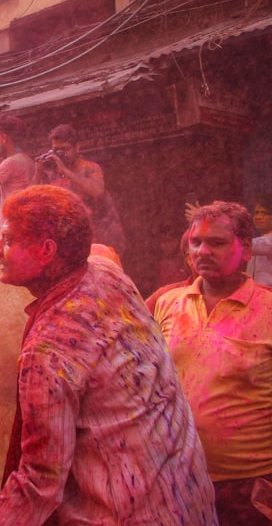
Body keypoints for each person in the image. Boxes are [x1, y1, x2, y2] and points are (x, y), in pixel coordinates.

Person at [0, 185, 216, 525]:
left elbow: (41, 482)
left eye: (7, 239)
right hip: (188, 501)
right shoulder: (108, 274)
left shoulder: (49, 349)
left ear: (46, 250)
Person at [153, 201, 272, 525]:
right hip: (177, 479)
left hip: (249, 490)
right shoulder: (167, 303)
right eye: (196, 242)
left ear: (246, 248)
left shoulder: (268, 309)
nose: (202, 251)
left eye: (216, 243)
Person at [31, 123, 126, 256]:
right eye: (56, 150)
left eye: (64, 149)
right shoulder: (52, 172)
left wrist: (65, 170)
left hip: (93, 239)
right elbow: (30, 199)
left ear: (77, 147)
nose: (60, 154)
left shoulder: (90, 167)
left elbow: (97, 191)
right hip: (64, 239)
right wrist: (38, 173)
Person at [248, 192, 272, 287]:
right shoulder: (258, 241)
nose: (258, 217)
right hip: (257, 295)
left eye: (264, 213)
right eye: (257, 213)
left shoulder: (267, 242)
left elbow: (248, 246)